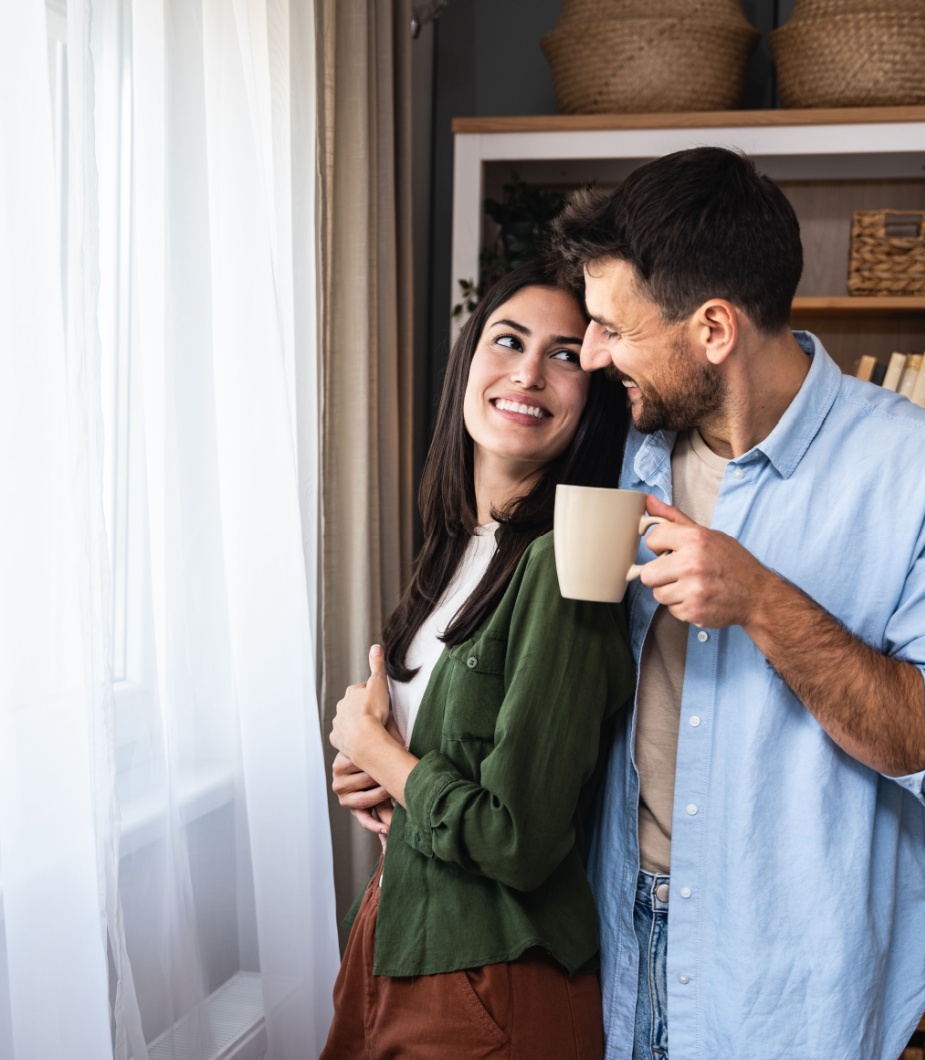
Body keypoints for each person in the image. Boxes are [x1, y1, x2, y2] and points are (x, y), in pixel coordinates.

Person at [552, 147, 925, 1059]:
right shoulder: (626, 446)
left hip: (792, 986)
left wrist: (764, 601)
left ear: (715, 328)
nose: (595, 352)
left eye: (616, 327)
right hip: (613, 939)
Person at [321, 259, 635, 1059]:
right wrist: (375, 771)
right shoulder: (455, 552)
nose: (528, 372)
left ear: (590, 396)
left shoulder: (568, 562)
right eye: (508, 340)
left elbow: (516, 839)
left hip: (494, 975)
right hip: (396, 937)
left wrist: (379, 754)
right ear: (469, 361)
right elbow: (439, 767)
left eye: (566, 355)